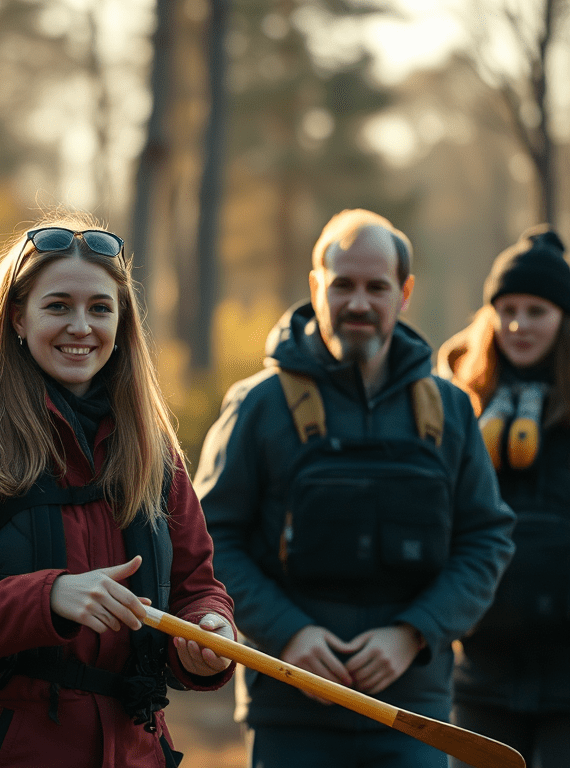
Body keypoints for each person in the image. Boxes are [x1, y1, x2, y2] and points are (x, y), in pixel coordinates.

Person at [0, 214, 237, 768]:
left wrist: (207, 636)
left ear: (122, 323)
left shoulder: (153, 445)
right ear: (17, 319)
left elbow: (198, 588)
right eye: (58, 306)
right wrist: (49, 596)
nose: (81, 326)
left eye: (100, 308)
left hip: (138, 751)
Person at [193, 209, 515, 768]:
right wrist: (288, 635)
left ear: (405, 293)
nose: (358, 303)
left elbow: (487, 538)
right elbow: (208, 538)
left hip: (415, 715)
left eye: (376, 287)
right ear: (316, 286)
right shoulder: (258, 405)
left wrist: (413, 634)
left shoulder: (451, 409)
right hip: (290, 713)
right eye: (342, 285)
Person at [437, 225, 570, 768]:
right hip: (480, 674)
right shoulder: (457, 408)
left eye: (536, 310)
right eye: (507, 308)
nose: (518, 324)